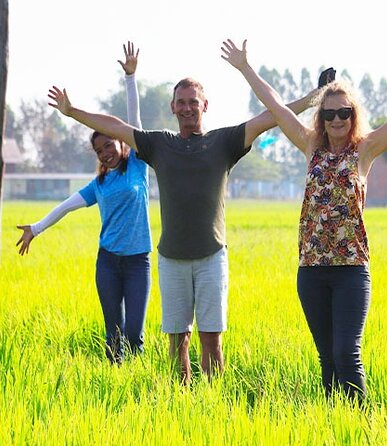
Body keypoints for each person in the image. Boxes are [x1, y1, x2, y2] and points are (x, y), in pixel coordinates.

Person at [221, 38, 387, 401]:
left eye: (344, 113)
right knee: (326, 359)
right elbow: (275, 106)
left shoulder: (365, 149)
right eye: (329, 113)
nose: (337, 119)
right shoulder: (310, 146)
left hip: (351, 269)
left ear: (353, 115)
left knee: (347, 354)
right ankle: (333, 423)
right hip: (311, 269)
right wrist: (246, 67)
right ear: (320, 118)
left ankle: (360, 424)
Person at [47, 62, 329, 384]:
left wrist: (312, 99)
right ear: (172, 107)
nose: (187, 108)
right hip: (172, 259)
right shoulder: (160, 144)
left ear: (204, 105)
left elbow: (271, 117)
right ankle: (181, 403)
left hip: (211, 257)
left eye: (193, 102)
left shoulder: (224, 142)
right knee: (176, 340)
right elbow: (115, 126)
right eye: (181, 102)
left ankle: (214, 403)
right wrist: (72, 111)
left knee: (211, 340)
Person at [16, 41, 151, 364]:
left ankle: (137, 380)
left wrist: (130, 78)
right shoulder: (99, 185)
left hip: (137, 263)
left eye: (109, 145)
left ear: (121, 143)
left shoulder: (138, 166)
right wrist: (36, 228)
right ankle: (114, 376)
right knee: (113, 332)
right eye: (99, 150)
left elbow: (135, 124)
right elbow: (64, 206)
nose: (105, 152)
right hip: (108, 262)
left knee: (135, 333)